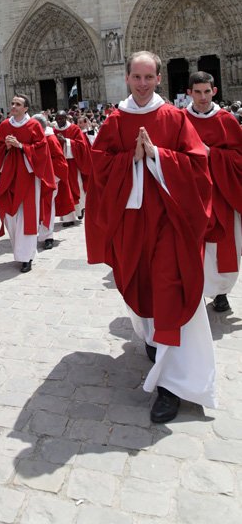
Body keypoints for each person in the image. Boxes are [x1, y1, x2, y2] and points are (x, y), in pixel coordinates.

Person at [85, 51, 215, 423]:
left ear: (160, 79)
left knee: (171, 291)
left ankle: (171, 387)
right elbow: (99, 168)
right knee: (144, 292)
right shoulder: (114, 121)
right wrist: (130, 159)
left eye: (148, 77)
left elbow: (198, 167)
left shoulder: (175, 119)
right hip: (133, 226)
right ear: (126, 78)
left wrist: (157, 156)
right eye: (136, 77)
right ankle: (156, 341)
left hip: (171, 226)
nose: (142, 84)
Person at [185, 71, 242, 313]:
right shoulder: (179, 119)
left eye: (207, 91)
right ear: (189, 93)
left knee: (225, 245)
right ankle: (198, 289)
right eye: (197, 92)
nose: (202, 97)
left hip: (222, 193)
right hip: (191, 193)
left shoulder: (227, 120)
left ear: (214, 91)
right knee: (198, 244)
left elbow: (239, 158)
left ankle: (221, 292)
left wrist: (213, 154)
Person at [0, 96, 55, 273]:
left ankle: (26, 256)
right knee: (11, 216)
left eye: (18, 104)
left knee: (27, 215)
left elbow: (42, 149)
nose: (13, 106)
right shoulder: (4, 126)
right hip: (9, 175)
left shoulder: (33, 126)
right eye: (12, 103)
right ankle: (20, 250)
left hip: (28, 175)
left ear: (26, 108)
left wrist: (21, 146)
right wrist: (5, 146)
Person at [32, 114, 74, 250]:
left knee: (47, 207)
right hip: (36, 178)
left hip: (49, 179)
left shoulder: (50, 138)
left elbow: (59, 160)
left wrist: (52, 177)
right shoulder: (37, 137)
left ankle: (48, 236)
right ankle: (39, 232)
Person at [54, 111, 91, 225]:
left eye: (61, 119)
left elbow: (81, 146)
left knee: (76, 187)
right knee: (63, 190)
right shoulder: (53, 131)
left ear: (66, 118)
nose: (59, 121)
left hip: (73, 164)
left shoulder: (74, 129)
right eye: (57, 119)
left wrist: (66, 141)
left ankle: (79, 210)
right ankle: (68, 218)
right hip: (60, 164)